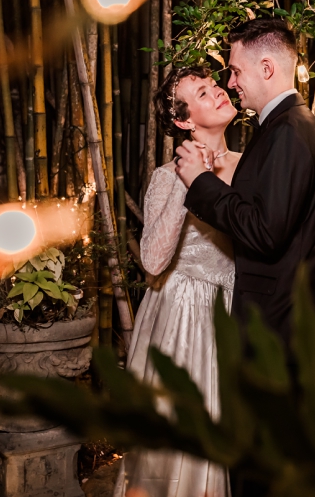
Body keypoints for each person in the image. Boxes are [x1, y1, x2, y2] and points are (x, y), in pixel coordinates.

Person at [174, 17, 315, 359]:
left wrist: (200, 181)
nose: (230, 82)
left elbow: (266, 231)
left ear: (266, 68)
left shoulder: (289, 132)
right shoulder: (287, 128)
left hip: (282, 327)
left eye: (236, 71)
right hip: (284, 322)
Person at [113, 66, 240, 497]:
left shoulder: (250, 167)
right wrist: (193, 183)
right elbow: (151, 260)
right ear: (184, 121)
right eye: (203, 93)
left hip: (235, 311)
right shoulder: (166, 176)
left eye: (215, 85)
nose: (218, 92)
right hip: (181, 319)